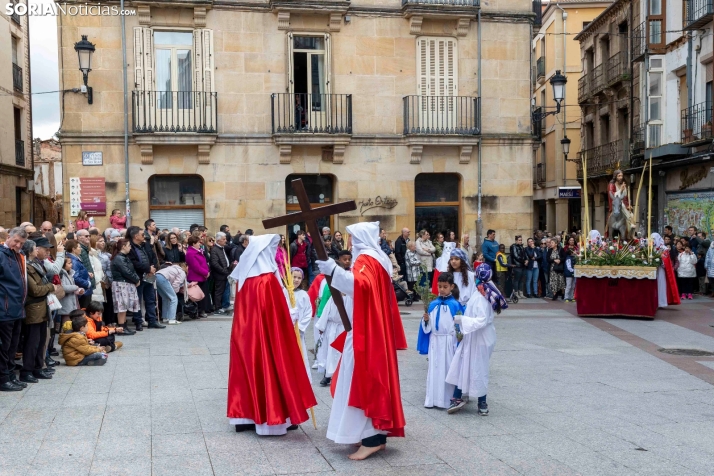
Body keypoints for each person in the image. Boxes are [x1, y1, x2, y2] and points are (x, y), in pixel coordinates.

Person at [316, 221, 406, 460]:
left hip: (365, 331)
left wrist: (333, 271)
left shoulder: (366, 260)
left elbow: (360, 286)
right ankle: (372, 435)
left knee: (362, 378)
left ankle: (371, 439)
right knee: (362, 378)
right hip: (370, 327)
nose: (350, 244)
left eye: (352, 239)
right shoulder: (378, 259)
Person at [227, 234, 317, 435]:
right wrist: (291, 314)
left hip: (245, 336)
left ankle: (245, 417)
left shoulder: (245, 278)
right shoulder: (267, 279)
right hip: (267, 336)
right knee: (271, 370)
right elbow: (275, 313)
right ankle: (272, 419)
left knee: (248, 372)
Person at [445, 263, 504, 416]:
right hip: (477, 336)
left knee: (476, 367)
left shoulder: (481, 296)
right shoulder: (484, 292)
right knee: (466, 365)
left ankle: (480, 401)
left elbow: (481, 320)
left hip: (479, 337)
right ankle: (462, 397)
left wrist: (461, 320)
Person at [417, 272, 463, 409]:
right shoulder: (432, 304)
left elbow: (459, 325)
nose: (442, 289)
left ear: (451, 287)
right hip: (435, 341)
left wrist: (457, 343)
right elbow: (427, 327)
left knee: (448, 369)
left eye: (445, 286)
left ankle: (447, 399)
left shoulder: (455, 305)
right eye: (439, 286)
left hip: (449, 342)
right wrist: (425, 321)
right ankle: (432, 399)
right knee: (434, 369)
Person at [21, 237, 58, 383]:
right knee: (32, 341)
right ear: (30, 250)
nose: (38, 250)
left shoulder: (36, 264)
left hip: (42, 307)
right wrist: (50, 287)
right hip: (33, 308)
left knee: (41, 339)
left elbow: (43, 283)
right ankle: (27, 370)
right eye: (35, 248)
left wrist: (47, 286)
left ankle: (38, 367)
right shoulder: (27, 266)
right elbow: (35, 290)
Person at [315, 251, 353, 387]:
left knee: (340, 353)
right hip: (331, 327)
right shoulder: (334, 297)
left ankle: (337, 374)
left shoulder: (350, 298)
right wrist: (321, 326)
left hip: (343, 328)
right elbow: (326, 312)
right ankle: (328, 374)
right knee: (329, 352)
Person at [0, 227, 28, 391]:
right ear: (9, 237)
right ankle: (3, 378)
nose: (18, 245)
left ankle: (10, 374)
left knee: (13, 345)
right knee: (4, 347)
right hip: (5, 308)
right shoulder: (2, 255)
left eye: (21, 243)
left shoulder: (18, 255)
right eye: (16, 241)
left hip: (17, 308)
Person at [126, 226, 164, 329]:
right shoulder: (130, 247)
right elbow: (133, 262)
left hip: (149, 275)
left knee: (150, 299)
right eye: (142, 235)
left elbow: (153, 257)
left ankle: (152, 320)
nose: (144, 236)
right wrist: (148, 268)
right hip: (138, 277)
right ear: (135, 236)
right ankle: (138, 321)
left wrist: (153, 268)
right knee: (137, 300)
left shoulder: (145, 245)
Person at [286, 268, 314, 382]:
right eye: (294, 277)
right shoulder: (283, 292)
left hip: (297, 331)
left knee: (299, 353)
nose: (296, 280)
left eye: (299, 278)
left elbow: (308, 312)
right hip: (285, 330)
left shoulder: (303, 295)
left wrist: (300, 327)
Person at [111, 238, 141, 333]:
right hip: (121, 284)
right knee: (121, 307)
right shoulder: (119, 258)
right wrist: (136, 279)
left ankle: (124, 326)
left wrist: (136, 278)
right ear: (123, 247)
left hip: (125, 283)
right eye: (129, 245)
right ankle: (121, 328)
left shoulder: (124, 257)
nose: (130, 248)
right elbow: (126, 271)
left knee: (124, 306)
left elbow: (131, 270)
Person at [186, 235, 211, 318]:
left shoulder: (198, 251)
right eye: (198, 243)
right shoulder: (190, 253)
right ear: (193, 244)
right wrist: (205, 272)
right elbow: (196, 266)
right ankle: (197, 311)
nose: (200, 244)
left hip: (202, 276)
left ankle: (201, 310)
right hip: (196, 277)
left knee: (203, 294)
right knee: (197, 295)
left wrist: (207, 272)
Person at [210, 232, 233, 315]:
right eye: (223, 239)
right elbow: (215, 263)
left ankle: (223, 306)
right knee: (219, 291)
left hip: (225, 272)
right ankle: (217, 307)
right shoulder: (215, 249)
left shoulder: (222, 248)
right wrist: (224, 271)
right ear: (218, 240)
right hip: (219, 274)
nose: (225, 241)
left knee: (224, 291)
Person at [75, 229, 95, 308]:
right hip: (85, 283)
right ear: (79, 237)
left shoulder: (84, 249)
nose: (88, 238)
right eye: (86, 236)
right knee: (84, 307)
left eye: (89, 236)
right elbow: (83, 268)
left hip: (87, 282)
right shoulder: (81, 250)